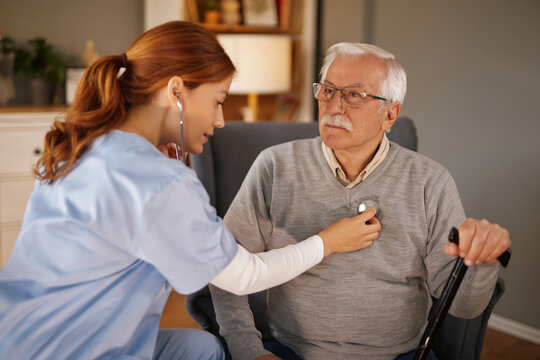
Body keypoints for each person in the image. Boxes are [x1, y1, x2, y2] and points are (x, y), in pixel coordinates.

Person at [0, 24, 381, 360]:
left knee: (202, 348)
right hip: (69, 350)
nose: (220, 119)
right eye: (217, 101)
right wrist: (327, 242)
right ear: (177, 91)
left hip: (16, 334)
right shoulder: (156, 179)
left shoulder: (85, 145)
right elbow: (244, 275)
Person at [210, 42, 511, 360]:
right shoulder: (274, 166)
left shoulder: (430, 182)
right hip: (290, 351)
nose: (334, 107)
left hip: (399, 355)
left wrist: (481, 261)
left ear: (390, 114)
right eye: (328, 90)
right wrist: (250, 352)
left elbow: (462, 305)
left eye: (353, 95)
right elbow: (224, 268)